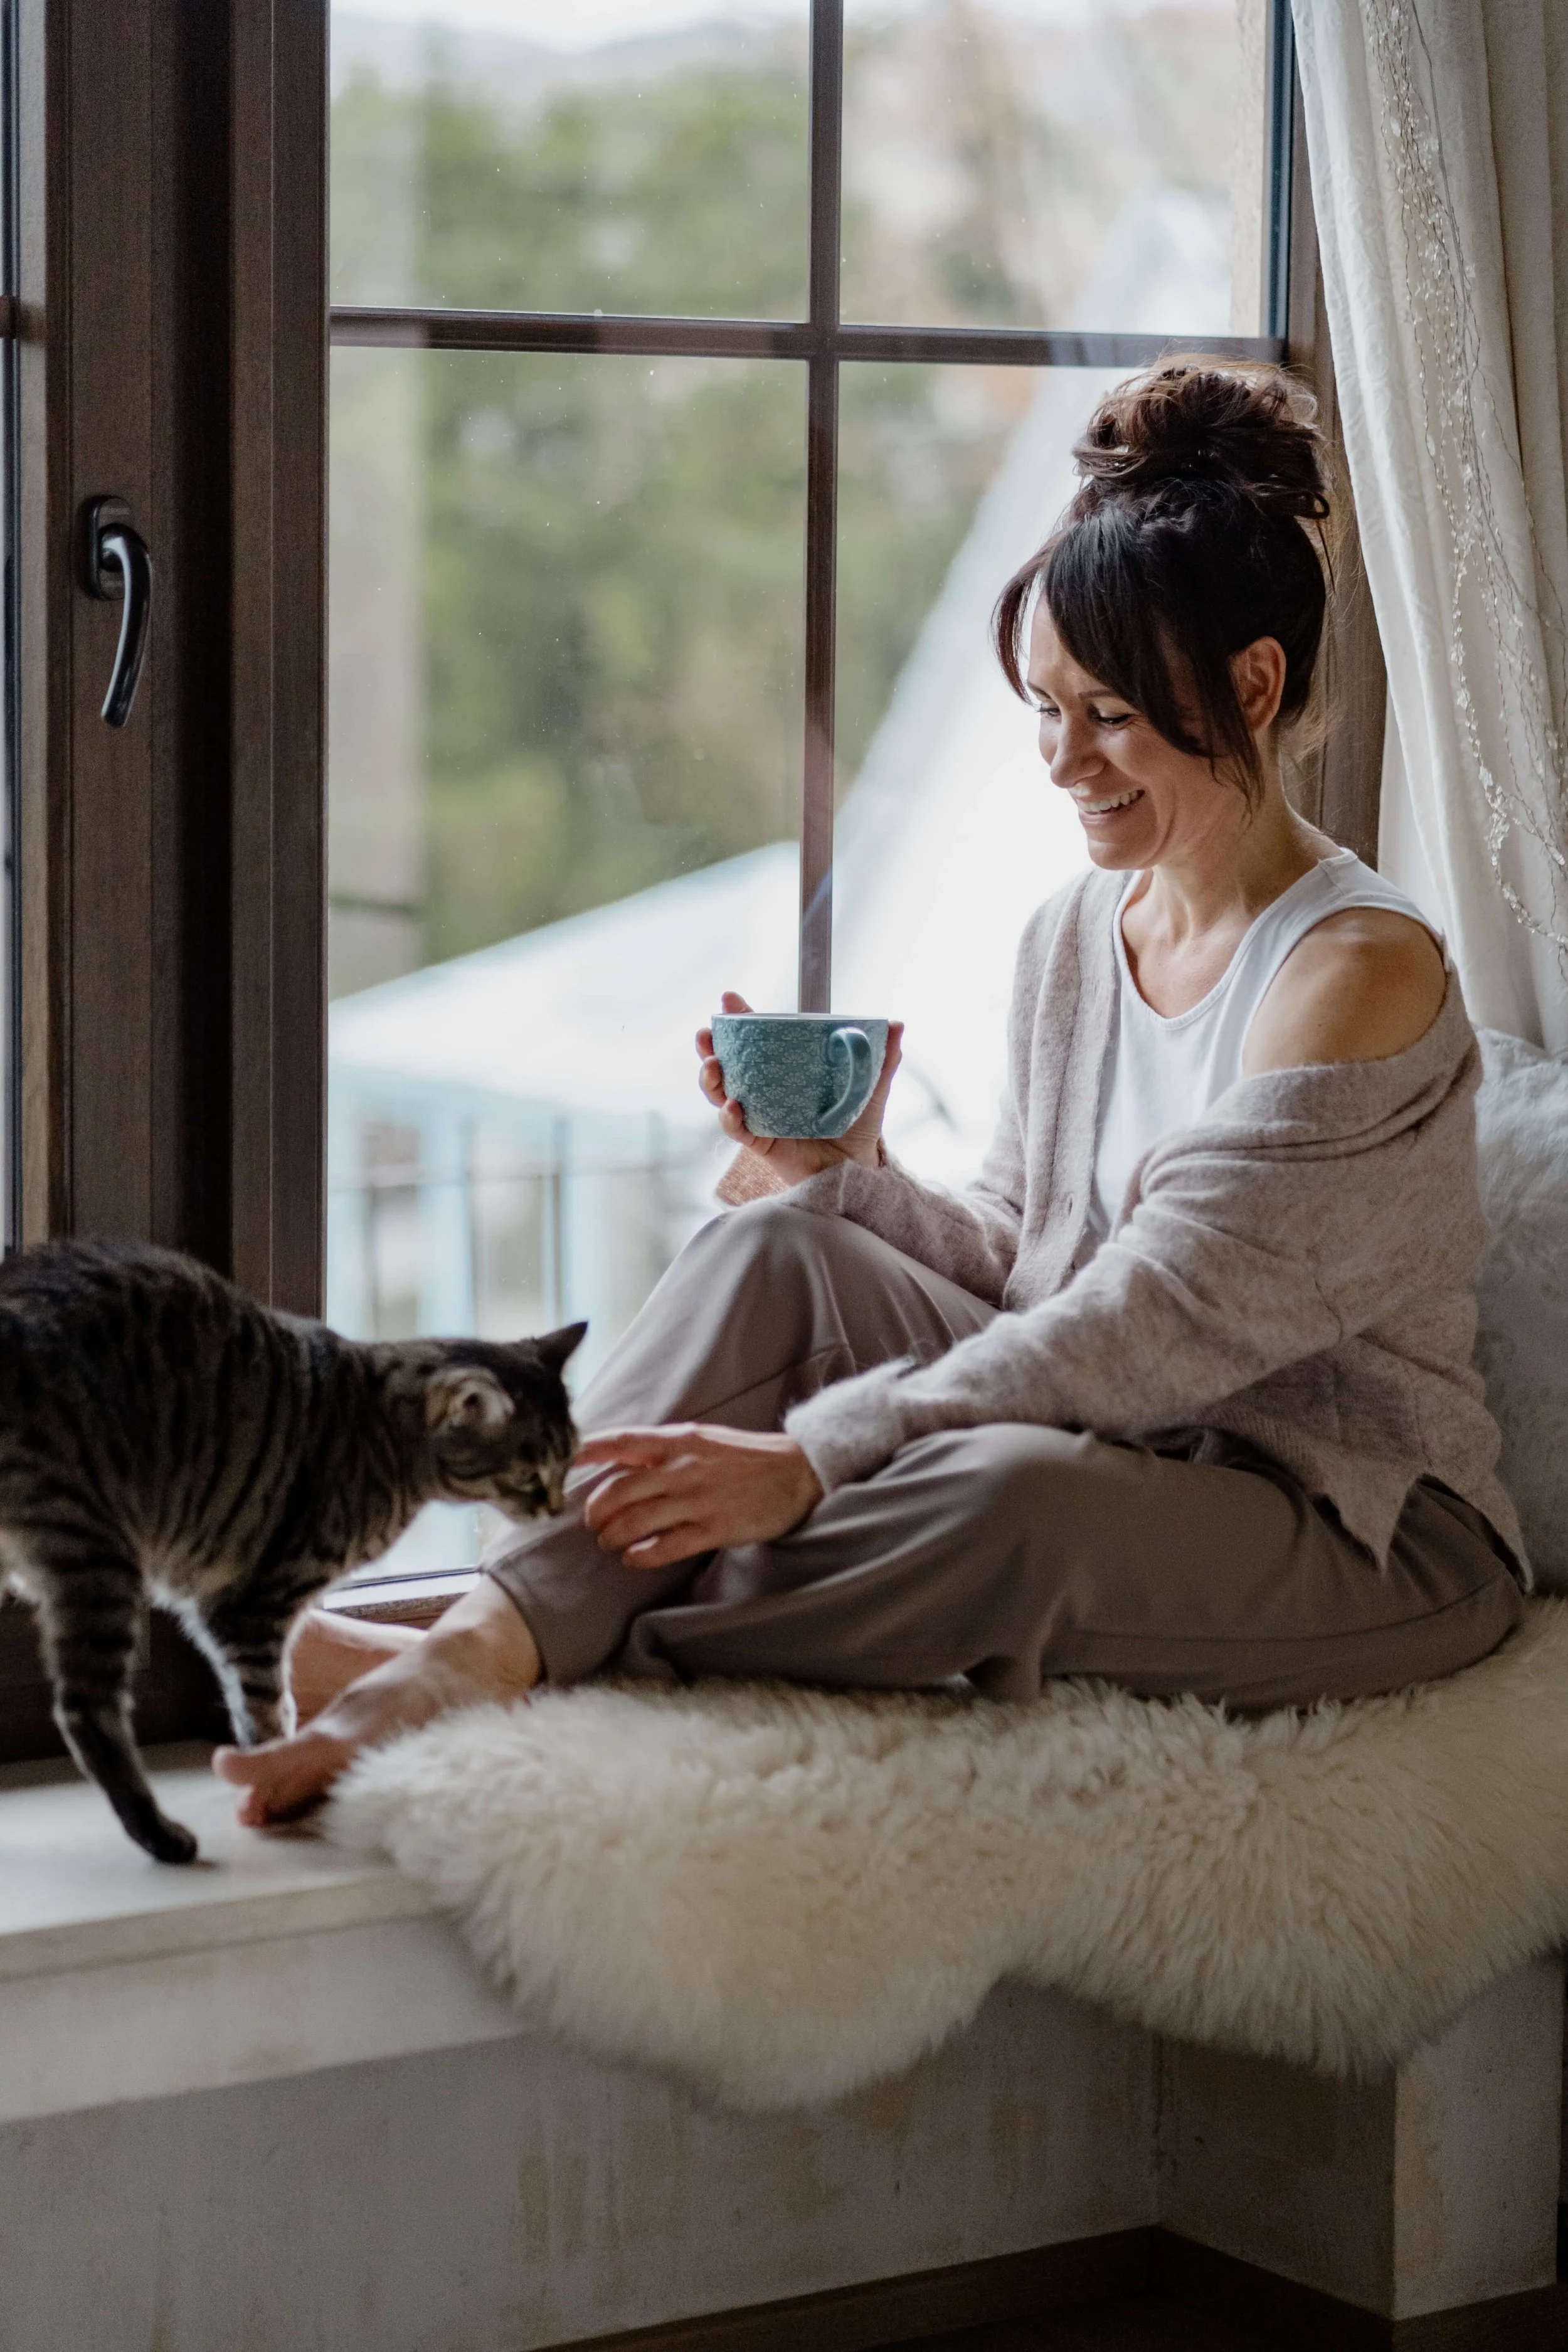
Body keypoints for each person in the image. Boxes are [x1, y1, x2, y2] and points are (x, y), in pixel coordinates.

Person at [218, 360, 1526, 1830]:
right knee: (778, 1247)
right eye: (1042, 708)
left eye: (1105, 714)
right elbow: (1030, 1261)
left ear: (1253, 686)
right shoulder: (1075, 936)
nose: (1061, 762)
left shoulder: (1350, 972)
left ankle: (505, 1645)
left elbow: (1151, 1321)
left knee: (1010, 1497)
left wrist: (810, 1457)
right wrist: (849, 1178)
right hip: (1131, 1443)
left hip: (1352, 1527)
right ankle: (486, 1636)